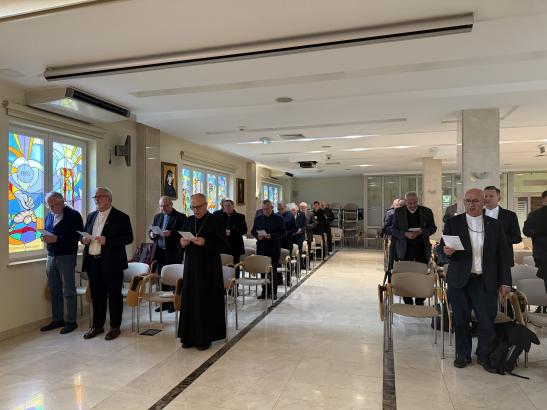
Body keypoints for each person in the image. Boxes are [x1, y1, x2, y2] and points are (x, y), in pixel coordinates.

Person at [440, 188, 511, 371]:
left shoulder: (495, 225)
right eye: (468, 201)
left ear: (483, 202)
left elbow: (503, 256)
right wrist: (446, 252)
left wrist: (505, 282)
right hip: (459, 280)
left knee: (486, 321)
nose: (471, 205)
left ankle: (483, 355)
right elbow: (441, 250)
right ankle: (462, 355)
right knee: (460, 320)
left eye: (475, 201)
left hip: (485, 280)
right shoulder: (453, 222)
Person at [81, 187, 133, 340]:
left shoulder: (121, 217)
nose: (96, 199)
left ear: (109, 199)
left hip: (112, 263)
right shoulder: (91, 216)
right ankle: (97, 326)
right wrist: (83, 240)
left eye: (100, 196)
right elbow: (84, 234)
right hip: (93, 262)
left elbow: (128, 238)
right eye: (95, 197)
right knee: (97, 296)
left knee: (114, 295)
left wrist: (107, 240)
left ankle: (115, 327)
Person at [178, 193, 226, 350]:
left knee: (205, 301)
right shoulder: (188, 221)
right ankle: (188, 337)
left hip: (209, 268)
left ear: (206, 205)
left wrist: (205, 242)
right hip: (191, 267)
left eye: (198, 207)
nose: (196, 210)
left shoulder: (216, 221)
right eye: (193, 207)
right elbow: (180, 244)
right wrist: (182, 244)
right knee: (190, 300)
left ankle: (205, 338)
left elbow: (223, 245)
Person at [40, 192, 84, 334]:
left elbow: (77, 236)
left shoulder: (74, 215)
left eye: (53, 206)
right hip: (51, 255)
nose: (51, 209)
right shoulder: (49, 216)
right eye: (49, 206)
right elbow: (47, 232)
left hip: (66, 255)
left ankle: (71, 321)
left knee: (68, 289)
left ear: (62, 202)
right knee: (54, 288)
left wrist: (57, 239)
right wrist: (43, 237)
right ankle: (57, 319)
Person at [391, 191, 437, 305]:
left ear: (418, 201)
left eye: (415, 203)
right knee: (406, 274)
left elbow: (433, 228)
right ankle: (407, 299)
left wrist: (422, 231)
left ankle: (420, 299)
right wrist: (405, 234)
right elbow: (393, 230)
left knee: (421, 273)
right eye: (409, 203)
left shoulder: (426, 211)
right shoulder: (399, 212)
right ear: (405, 202)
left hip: (421, 246)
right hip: (405, 248)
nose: (412, 205)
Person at [149, 196, 186, 312]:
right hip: (160, 252)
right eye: (161, 206)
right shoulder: (158, 216)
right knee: (163, 278)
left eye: (165, 206)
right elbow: (151, 230)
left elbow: (184, 233)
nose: (163, 208)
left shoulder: (180, 217)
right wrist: (152, 234)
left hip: (173, 252)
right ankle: (164, 303)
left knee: (174, 279)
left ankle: (174, 303)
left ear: (171, 205)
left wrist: (171, 233)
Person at [252, 200, 286, 299]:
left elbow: (283, 232)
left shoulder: (278, 218)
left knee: (272, 271)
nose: (265, 211)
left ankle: (273, 292)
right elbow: (253, 230)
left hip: (273, 248)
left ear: (272, 208)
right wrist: (257, 236)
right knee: (263, 270)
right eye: (263, 209)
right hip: (261, 247)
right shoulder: (258, 218)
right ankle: (265, 292)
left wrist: (270, 235)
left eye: (267, 209)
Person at [483, 185, 522, 266]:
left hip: (503, 259)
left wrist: (499, 237)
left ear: (499, 198)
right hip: (481, 258)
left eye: (491, 196)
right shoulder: (477, 214)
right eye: (485, 196)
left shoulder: (510, 215)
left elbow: (517, 238)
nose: (487, 198)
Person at [523, 190, 547, 294]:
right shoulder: (535, 215)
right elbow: (526, 231)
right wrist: (539, 231)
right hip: (542, 254)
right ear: (543, 200)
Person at [217, 199, 247, 264]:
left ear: (233, 206)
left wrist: (231, 232)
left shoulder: (240, 217)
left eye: (229, 205)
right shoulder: (219, 217)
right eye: (225, 206)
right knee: (223, 266)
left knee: (235, 265)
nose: (227, 207)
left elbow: (244, 230)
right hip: (223, 246)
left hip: (235, 246)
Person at [383, 198, 405, 275]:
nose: (398, 207)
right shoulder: (390, 213)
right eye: (396, 205)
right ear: (393, 205)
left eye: (400, 205)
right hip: (394, 237)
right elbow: (386, 228)